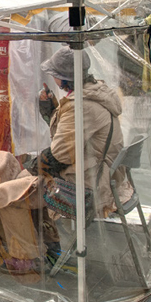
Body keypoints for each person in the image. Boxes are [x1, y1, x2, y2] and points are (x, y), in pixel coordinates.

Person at [41, 45, 127, 218]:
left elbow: (59, 155)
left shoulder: (81, 106)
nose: (52, 77)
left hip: (92, 183)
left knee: (23, 187)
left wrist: (34, 167)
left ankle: (45, 241)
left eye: (55, 74)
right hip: (109, 175)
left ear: (65, 78)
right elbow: (69, 135)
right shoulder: (95, 92)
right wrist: (50, 107)